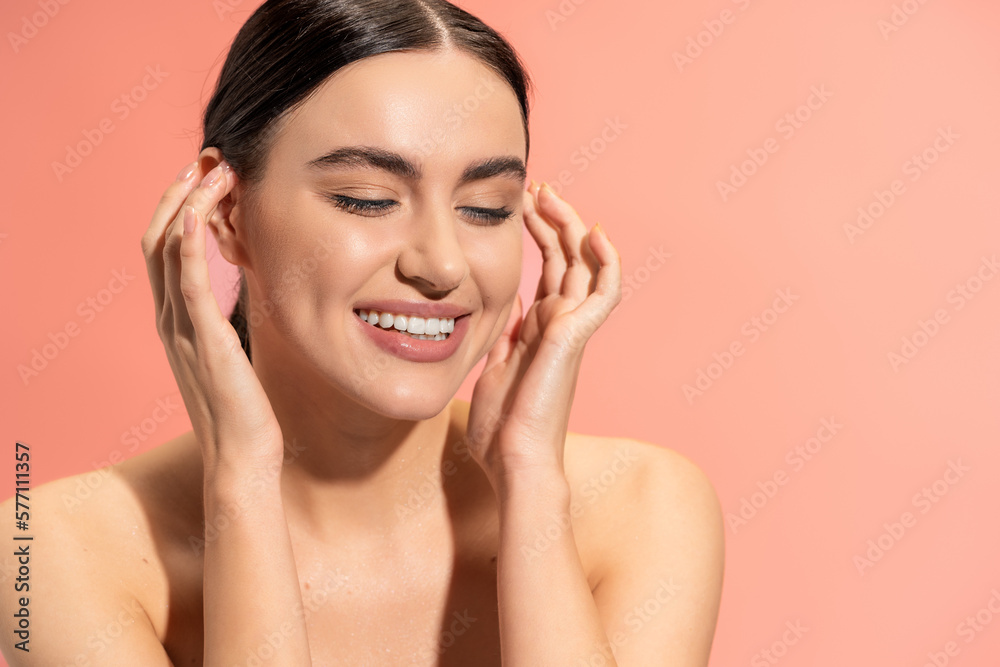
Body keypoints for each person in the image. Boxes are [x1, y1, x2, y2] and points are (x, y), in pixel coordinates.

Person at [0, 0, 724, 664]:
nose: (440, 263)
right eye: (367, 199)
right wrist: (242, 484)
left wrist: (531, 481)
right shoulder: (46, 553)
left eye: (487, 208)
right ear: (223, 212)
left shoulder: (641, 508)